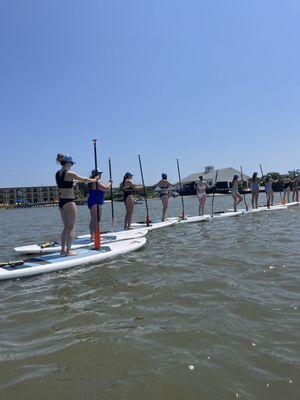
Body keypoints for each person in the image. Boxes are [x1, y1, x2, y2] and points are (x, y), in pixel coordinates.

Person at [56, 154, 99, 256]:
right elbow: (83, 179)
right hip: (69, 202)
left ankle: (62, 250)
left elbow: (64, 184)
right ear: (67, 163)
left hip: (61, 203)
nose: (72, 165)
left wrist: (73, 182)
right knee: (71, 227)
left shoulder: (57, 173)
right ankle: (68, 251)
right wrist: (94, 180)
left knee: (66, 227)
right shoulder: (70, 173)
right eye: (71, 163)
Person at [87, 169, 112, 240]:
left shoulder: (91, 182)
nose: (101, 175)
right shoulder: (96, 182)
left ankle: (92, 235)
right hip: (96, 202)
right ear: (96, 175)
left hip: (92, 202)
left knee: (93, 219)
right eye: (100, 174)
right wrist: (110, 182)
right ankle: (96, 236)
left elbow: (104, 188)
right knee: (97, 220)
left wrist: (108, 185)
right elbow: (105, 188)